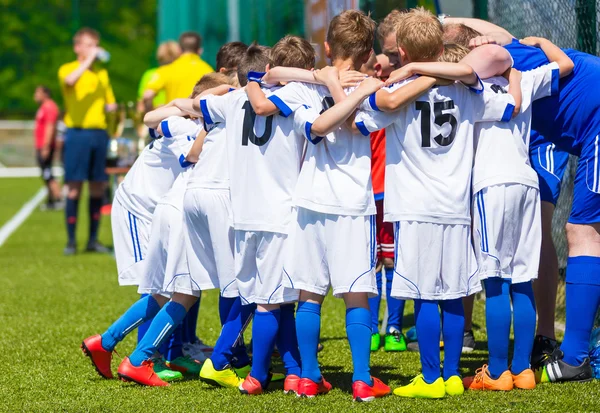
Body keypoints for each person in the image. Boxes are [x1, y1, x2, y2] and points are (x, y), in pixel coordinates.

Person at [354, 7, 517, 399]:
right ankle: (452, 375)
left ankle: (430, 379)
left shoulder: (397, 90)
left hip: (414, 207)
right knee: (453, 291)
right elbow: (508, 105)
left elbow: (363, 122)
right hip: (456, 205)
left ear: (404, 53)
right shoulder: (466, 88)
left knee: (426, 294)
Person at [249, 10, 397, 402]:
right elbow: (274, 77)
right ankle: (359, 379)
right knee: (353, 293)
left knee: (309, 295)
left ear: (328, 47)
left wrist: (343, 87)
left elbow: (336, 123)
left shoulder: (364, 89)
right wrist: (328, 78)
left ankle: (313, 378)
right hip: (350, 204)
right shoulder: (364, 86)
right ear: (368, 52)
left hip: (313, 201)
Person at [443, 18, 600, 383]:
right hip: (544, 164)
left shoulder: (486, 71)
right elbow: (560, 63)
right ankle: (550, 358)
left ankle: (573, 357)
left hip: (593, 123)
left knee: (582, 233)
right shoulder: (515, 61)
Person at [80, 75, 219, 385]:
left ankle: (108, 343)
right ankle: (142, 358)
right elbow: (173, 137)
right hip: (138, 209)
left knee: (165, 289)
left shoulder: (191, 124)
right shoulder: (184, 126)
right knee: (159, 288)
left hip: (159, 211)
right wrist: (201, 113)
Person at [58, 27, 117, 255]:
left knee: (97, 186)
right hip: (77, 133)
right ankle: (71, 241)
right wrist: (90, 59)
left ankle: (93, 240)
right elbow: (71, 81)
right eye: (89, 45)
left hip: (98, 134)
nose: (94, 50)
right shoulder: (68, 69)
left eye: (95, 45)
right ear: (78, 47)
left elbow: (109, 103)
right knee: (74, 187)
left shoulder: (101, 74)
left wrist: (115, 111)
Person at [143, 32, 214, 111]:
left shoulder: (167, 69)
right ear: (200, 51)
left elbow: (147, 95)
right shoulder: (209, 70)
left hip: (174, 118)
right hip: (200, 119)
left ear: (179, 50)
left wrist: (151, 111)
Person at [33, 85, 62, 210]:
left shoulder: (50, 107)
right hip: (41, 146)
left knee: (48, 173)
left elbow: (50, 127)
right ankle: (51, 200)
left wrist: (46, 146)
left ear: (45, 93)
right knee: (45, 173)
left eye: (38, 92)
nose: (35, 95)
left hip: (46, 147)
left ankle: (59, 197)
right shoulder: (43, 107)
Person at [137, 41, 181, 112]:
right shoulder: (181, 73)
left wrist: (151, 112)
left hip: (155, 116)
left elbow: (142, 103)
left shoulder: (149, 74)